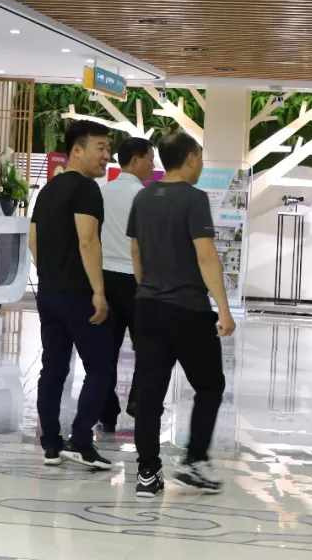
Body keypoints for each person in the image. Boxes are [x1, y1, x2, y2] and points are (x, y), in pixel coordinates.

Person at [128, 131, 236, 498]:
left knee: (150, 392)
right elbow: (206, 256)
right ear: (189, 159)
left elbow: (136, 251)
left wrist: (147, 290)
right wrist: (224, 310)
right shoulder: (194, 198)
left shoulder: (143, 197)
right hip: (188, 310)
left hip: (147, 307)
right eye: (200, 157)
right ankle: (194, 461)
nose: (201, 164)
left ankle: (147, 473)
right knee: (210, 385)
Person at [28, 120, 114, 470]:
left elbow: (33, 242)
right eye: (100, 147)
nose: (106, 155)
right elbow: (88, 240)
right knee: (100, 368)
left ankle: (51, 443)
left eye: (108, 148)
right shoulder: (86, 189)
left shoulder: (48, 190)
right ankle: (80, 440)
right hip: (78, 294)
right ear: (76, 150)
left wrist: (51, 274)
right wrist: (99, 291)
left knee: (53, 369)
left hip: (49, 293)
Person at [98, 137, 155, 432]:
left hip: (105, 278)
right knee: (147, 346)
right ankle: (137, 401)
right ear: (135, 161)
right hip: (136, 280)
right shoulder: (144, 197)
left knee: (106, 350)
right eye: (150, 160)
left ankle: (107, 412)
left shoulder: (101, 192)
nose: (153, 166)